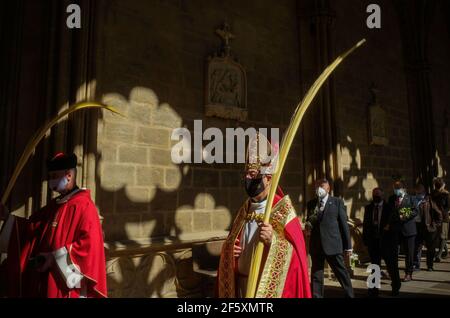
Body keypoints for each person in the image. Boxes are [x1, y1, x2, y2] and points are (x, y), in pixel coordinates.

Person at [216, 133, 311, 298]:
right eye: (246, 174)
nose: (247, 178)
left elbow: (297, 258)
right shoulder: (244, 210)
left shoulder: (282, 210)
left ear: (268, 178)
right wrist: (230, 249)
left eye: (252, 175)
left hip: (265, 288)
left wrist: (272, 241)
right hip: (240, 287)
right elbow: (232, 242)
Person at [0, 153, 107, 298]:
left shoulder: (84, 206)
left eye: (54, 176)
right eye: (50, 177)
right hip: (42, 280)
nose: (51, 181)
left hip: (64, 284)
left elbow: (89, 246)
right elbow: (31, 228)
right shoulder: (53, 205)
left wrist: (54, 258)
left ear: (69, 175)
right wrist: (7, 217)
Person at [306, 178, 354, 298]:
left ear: (328, 189)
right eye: (317, 186)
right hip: (317, 245)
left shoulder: (337, 202)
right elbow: (309, 221)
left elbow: (344, 225)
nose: (319, 189)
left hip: (333, 245)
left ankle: (350, 295)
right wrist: (308, 225)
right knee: (316, 275)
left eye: (322, 186)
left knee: (341, 273)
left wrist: (348, 246)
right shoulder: (311, 203)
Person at [363, 187, 401, 297]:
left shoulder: (390, 208)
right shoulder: (368, 208)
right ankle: (373, 289)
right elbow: (366, 225)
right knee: (375, 266)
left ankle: (395, 287)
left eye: (378, 195)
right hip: (374, 242)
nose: (376, 197)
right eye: (374, 195)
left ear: (383, 196)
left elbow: (398, 224)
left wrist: (390, 228)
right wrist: (365, 241)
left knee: (392, 266)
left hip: (388, 242)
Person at [388, 179, 418, 282]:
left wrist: (403, 215)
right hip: (395, 230)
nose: (396, 190)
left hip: (408, 230)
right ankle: (392, 272)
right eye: (394, 188)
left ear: (403, 189)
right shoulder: (392, 199)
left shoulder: (411, 198)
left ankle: (408, 273)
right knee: (393, 252)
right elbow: (390, 212)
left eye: (398, 188)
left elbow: (415, 211)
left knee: (409, 253)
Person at [414, 184, 443, 271]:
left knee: (431, 249)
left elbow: (439, 214)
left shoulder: (429, 201)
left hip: (429, 228)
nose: (418, 194)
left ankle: (430, 265)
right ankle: (416, 265)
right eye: (416, 193)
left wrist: (436, 224)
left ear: (424, 192)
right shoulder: (414, 201)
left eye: (419, 193)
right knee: (416, 247)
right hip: (417, 227)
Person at [432, 177, 449, 262]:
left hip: (443, 217)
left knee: (442, 236)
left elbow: (448, 207)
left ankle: (440, 254)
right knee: (441, 236)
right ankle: (443, 252)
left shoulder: (445, 194)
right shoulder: (435, 194)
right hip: (438, 217)